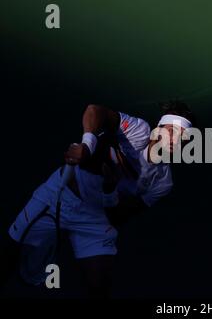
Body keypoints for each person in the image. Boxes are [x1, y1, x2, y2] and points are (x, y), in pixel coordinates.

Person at [1, 100, 195, 298]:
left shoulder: (163, 183)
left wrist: (109, 190)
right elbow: (94, 110)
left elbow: (118, 218)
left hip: (95, 220)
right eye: (172, 131)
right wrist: (87, 146)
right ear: (158, 128)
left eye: (184, 137)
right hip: (60, 195)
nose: (176, 140)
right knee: (8, 255)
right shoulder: (138, 131)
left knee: (99, 290)